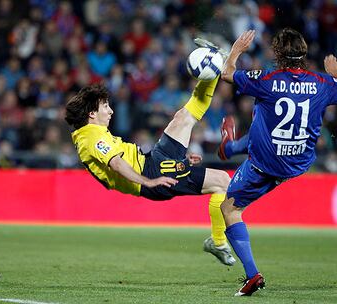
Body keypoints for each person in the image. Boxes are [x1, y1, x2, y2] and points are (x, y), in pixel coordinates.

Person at [65, 52, 236, 266]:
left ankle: (212, 71)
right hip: (152, 174)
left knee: (184, 117)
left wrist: (179, 162)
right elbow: (116, 163)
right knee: (222, 181)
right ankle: (218, 242)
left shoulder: (91, 134)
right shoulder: (91, 137)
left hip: (154, 161)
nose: (110, 111)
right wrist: (150, 181)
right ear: (91, 113)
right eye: (105, 107)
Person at [220, 28, 337, 296]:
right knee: (265, 118)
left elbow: (227, 74)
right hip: (299, 162)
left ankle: (252, 275)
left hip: (266, 163)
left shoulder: (266, 79)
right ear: (304, 53)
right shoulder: (322, 82)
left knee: (229, 210)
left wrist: (236, 49)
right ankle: (232, 146)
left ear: (277, 53)